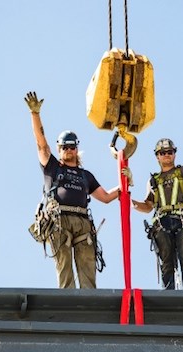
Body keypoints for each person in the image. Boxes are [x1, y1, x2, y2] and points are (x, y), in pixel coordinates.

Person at [24, 91, 132, 289]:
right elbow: (41, 143)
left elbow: (107, 197)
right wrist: (35, 114)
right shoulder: (53, 167)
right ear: (59, 149)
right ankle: (68, 304)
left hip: (82, 222)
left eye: (71, 147)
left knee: (87, 269)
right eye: (65, 147)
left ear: (76, 149)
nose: (68, 150)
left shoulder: (85, 176)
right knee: (64, 268)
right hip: (59, 221)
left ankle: (89, 305)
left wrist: (125, 183)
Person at [131, 121, 183, 290]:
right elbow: (148, 206)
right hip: (162, 223)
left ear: (174, 154)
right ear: (157, 156)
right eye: (162, 153)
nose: (166, 155)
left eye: (169, 152)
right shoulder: (153, 180)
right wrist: (129, 201)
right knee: (166, 261)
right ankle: (168, 295)